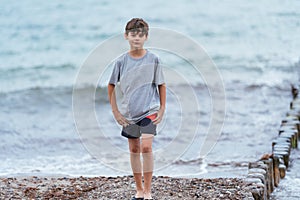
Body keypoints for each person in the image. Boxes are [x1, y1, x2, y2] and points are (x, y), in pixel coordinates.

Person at [107, 18, 166, 200]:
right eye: (133, 34)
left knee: (146, 148)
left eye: (141, 35)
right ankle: (139, 190)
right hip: (129, 114)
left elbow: (161, 85)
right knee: (134, 149)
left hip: (150, 111)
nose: (137, 38)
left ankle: (148, 191)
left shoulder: (154, 59)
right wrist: (116, 112)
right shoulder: (121, 62)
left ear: (146, 37)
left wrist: (162, 109)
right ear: (126, 36)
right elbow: (111, 85)